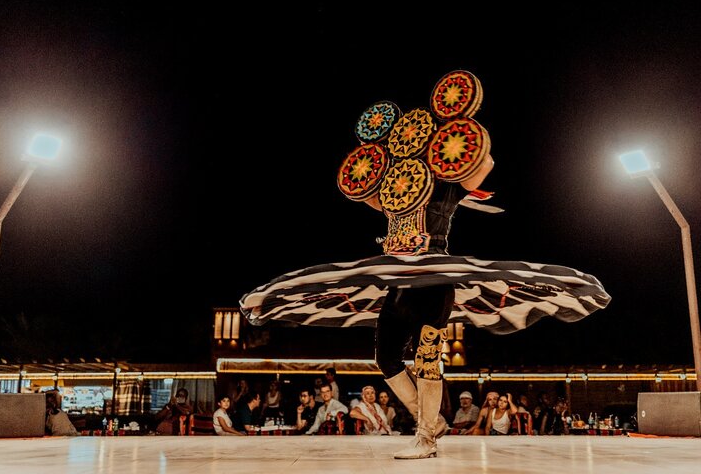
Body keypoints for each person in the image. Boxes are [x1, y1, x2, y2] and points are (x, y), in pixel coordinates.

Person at [239, 70, 611, 459]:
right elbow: (365, 193)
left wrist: (463, 137)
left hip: (434, 282)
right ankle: (428, 421)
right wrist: (374, 162)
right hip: (399, 282)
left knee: (427, 359)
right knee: (384, 358)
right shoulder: (395, 188)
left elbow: (484, 166)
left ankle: (426, 439)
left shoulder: (447, 184)